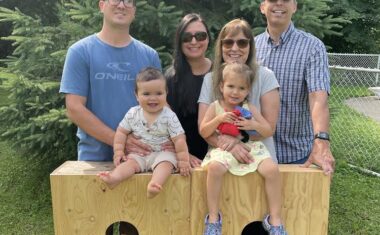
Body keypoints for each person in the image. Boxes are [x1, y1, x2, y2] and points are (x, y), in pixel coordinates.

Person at [59, 0, 160, 234]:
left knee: (135, 226)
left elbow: (158, 107)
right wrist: (120, 140)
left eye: (129, 1)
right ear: (101, 5)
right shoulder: (80, 51)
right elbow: (74, 108)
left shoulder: (149, 55)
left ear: (134, 10)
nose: (122, 5)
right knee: (93, 226)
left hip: (140, 159)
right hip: (94, 159)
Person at [198, 19, 281, 234]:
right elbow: (204, 128)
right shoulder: (211, 79)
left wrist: (240, 140)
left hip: (257, 158)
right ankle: (214, 220)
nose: (235, 48)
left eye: (242, 43)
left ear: (251, 46)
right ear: (221, 46)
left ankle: (274, 222)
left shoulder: (265, 76)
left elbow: (268, 127)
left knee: (252, 225)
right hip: (222, 158)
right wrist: (230, 145)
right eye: (228, 42)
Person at [255, 0, 335, 175]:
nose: (279, 3)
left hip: (297, 155)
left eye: (285, 0)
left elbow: (317, 98)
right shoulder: (251, 48)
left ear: (294, 6)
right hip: (256, 153)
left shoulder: (312, 47)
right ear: (262, 7)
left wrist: (321, 141)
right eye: (273, 0)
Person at [98, 68, 191, 198]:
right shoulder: (132, 113)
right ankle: (114, 178)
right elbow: (121, 132)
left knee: (166, 163)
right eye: (146, 94)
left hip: (162, 153)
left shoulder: (169, 116)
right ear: (136, 95)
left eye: (159, 93)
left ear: (166, 93)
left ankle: (154, 184)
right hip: (138, 154)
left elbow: (179, 139)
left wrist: (183, 161)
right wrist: (118, 151)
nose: (153, 98)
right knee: (129, 163)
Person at [165, 13, 212, 167]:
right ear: (180, 41)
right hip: (183, 162)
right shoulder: (171, 78)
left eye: (200, 35)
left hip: (220, 158)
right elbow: (164, 125)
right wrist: (184, 154)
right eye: (187, 37)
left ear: (208, 38)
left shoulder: (222, 73)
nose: (194, 41)